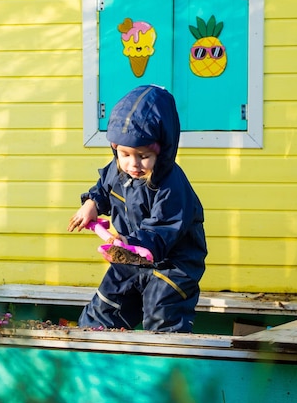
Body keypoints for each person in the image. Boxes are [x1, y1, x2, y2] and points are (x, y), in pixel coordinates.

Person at [68, 85, 207, 333]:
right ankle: (92, 352)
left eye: (143, 156)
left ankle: (165, 362)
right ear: (115, 149)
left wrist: (130, 242)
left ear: (162, 151)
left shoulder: (171, 186)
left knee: (162, 312)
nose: (133, 164)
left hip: (172, 264)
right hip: (131, 257)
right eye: (124, 154)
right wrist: (92, 204)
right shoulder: (118, 170)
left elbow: (162, 230)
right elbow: (104, 187)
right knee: (105, 307)